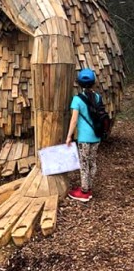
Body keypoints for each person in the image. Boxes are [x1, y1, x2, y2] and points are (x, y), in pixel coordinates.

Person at [65, 68, 101, 202]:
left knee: (84, 163)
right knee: (92, 162)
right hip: (96, 136)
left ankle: (84, 192)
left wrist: (69, 136)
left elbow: (74, 120)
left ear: (79, 83)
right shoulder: (97, 97)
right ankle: (89, 187)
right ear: (93, 83)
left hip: (84, 138)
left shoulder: (77, 100)